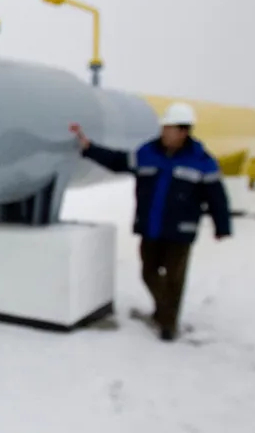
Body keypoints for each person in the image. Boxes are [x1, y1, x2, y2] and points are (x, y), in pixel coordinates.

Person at [69, 101, 232, 341]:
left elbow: (217, 197)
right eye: (163, 128)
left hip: (180, 232)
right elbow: (119, 161)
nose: (164, 133)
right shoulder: (148, 152)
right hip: (151, 227)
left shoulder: (202, 161)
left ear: (183, 132)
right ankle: (164, 313)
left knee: (174, 279)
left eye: (170, 129)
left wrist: (222, 225)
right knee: (148, 273)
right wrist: (89, 147)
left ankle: (168, 324)